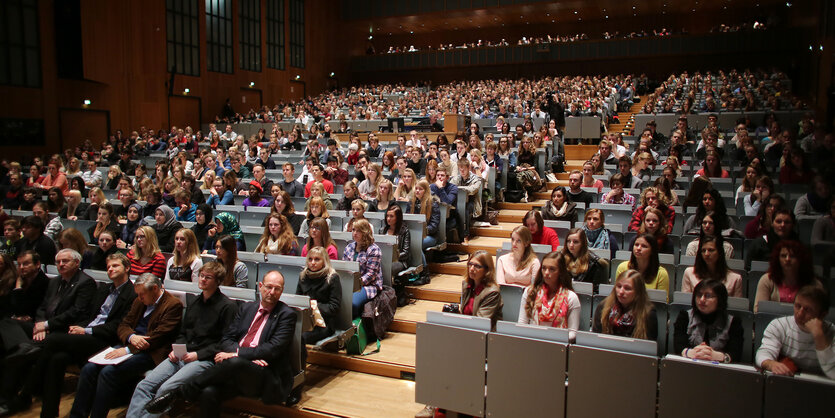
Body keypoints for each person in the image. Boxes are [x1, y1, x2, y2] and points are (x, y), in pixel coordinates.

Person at [143, 271, 296, 417]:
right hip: (234, 372)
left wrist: (238, 355)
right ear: (260, 286)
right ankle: (185, 392)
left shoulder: (286, 315)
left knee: (236, 362)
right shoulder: (246, 308)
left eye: (277, 289)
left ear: (282, 291)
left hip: (265, 375)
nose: (272, 292)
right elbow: (227, 339)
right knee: (209, 392)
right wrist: (241, 356)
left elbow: (273, 349)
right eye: (269, 287)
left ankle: (181, 392)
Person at [9, 253, 136, 418]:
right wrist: (79, 327)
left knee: (52, 340)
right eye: (109, 266)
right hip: (86, 335)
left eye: (115, 266)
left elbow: (119, 325)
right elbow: (89, 315)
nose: (110, 269)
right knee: (57, 359)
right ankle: (48, 413)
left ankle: (25, 392)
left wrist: (86, 330)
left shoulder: (133, 294)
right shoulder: (104, 288)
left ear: (127, 268)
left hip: (105, 340)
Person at [127, 262, 237, 418]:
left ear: (217, 281)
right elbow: (183, 332)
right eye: (201, 275)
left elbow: (225, 343)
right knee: (143, 386)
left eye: (208, 277)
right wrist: (176, 349)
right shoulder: (195, 302)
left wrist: (197, 355)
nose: (203, 279)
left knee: (165, 389)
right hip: (182, 355)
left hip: (204, 359)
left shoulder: (228, 306)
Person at [69, 274, 183, 418]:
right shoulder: (139, 301)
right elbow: (124, 324)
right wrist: (131, 337)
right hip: (130, 345)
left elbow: (158, 337)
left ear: (155, 288)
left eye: (142, 294)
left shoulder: (173, 305)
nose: (140, 298)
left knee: (108, 372)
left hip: (151, 353)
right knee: (89, 368)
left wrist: (128, 349)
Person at [756, 285, 835, 379]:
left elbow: (833, 373)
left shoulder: (832, 332)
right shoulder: (779, 325)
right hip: (787, 380)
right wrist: (771, 364)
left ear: (822, 315)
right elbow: (763, 353)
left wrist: (819, 337)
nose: (800, 313)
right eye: (798, 306)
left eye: (807, 309)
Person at [674, 279, 744, 363]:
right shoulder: (684, 316)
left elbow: (736, 353)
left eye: (708, 296)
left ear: (720, 299)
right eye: (699, 295)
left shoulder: (734, 322)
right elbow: (678, 345)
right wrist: (691, 352)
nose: (702, 300)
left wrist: (716, 356)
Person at [754, 240, 822, 312]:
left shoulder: (814, 284)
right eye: (783, 256)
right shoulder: (767, 280)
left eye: (792, 256)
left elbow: (818, 314)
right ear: (778, 259)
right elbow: (758, 310)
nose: (787, 259)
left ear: (801, 259)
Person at [518, 251, 580, 329]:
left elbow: (573, 332)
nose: (546, 273)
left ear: (560, 272)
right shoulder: (530, 292)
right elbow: (521, 325)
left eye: (552, 269)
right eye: (544, 268)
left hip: (558, 340)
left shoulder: (571, 298)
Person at [592, 269, 658, 340]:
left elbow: (649, 346)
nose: (621, 292)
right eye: (619, 286)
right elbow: (595, 339)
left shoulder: (648, 314)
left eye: (627, 288)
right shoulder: (603, 307)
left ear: (638, 292)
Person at [296, 247, 342, 344]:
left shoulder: (332, 278)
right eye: (310, 259)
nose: (312, 262)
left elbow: (334, 307)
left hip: (324, 323)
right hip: (305, 320)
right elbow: (298, 300)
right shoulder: (303, 276)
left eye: (317, 259)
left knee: (301, 338)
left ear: (324, 261)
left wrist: (314, 307)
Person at [343, 219, 383, 318]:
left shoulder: (374, 250)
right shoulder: (349, 247)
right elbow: (344, 269)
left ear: (365, 232)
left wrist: (354, 285)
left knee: (352, 303)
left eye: (358, 231)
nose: (355, 233)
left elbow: (370, 275)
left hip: (368, 286)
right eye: (353, 230)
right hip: (350, 284)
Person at [460, 250, 503, 329]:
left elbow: (480, 322)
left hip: (484, 335)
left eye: (477, 266)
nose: (471, 269)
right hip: (466, 330)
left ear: (487, 270)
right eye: (470, 264)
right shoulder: (466, 285)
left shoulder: (492, 292)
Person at [562, 228, 607, 292]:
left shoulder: (595, 264)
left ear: (583, 243)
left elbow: (598, 291)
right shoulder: (561, 259)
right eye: (568, 241)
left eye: (575, 242)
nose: (571, 245)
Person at [451, 159, 484, 243]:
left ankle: (465, 234)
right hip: (458, 202)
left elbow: (473, 189)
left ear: (469, 168)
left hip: (472, 203)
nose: (462, 171)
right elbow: (450, 188)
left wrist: (459, 189)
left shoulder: (476, 178)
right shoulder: (457, 178)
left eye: (464, 169)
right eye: (460, 169)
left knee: (464, 210)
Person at [382, 205, 411, 278]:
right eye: (387, 216)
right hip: (383, 259)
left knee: (388, 268)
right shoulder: (382, 230)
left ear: (397, 218)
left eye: (391, 216)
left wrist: (392, 257)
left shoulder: (404, 231)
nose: (388, 219)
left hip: (399, 261)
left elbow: (406, 253)